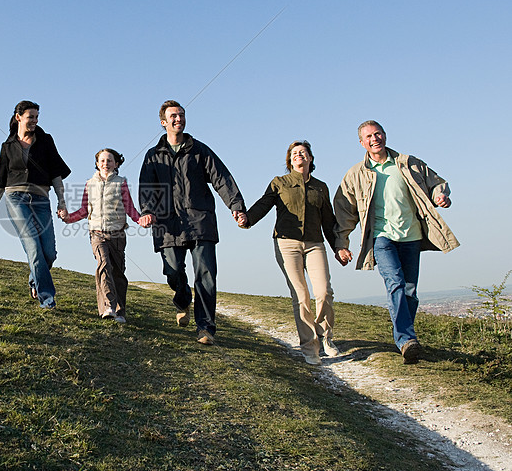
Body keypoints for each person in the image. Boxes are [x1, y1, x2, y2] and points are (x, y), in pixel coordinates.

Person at [333, 120, 459, 363]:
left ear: (385, 135)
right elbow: (344, 210)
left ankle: (406, 337)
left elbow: (436, 184)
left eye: (377, 133)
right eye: (368, 136)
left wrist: (440, 195)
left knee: (410, 290)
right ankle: (405, 340)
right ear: (362, 143)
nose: (374, 139)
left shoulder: (408, 163)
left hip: (411, 236)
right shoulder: (356, 174)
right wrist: (342, 243)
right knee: (396, 283)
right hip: (381, 237)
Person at [138, 100, 246, 345]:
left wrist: (236, 206)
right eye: (173, 116)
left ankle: (205, 327)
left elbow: (221, 178)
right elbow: (146, 188)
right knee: (173, 270)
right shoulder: (153, 155)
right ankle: (182, 298)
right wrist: (147, 211)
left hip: (200, 220)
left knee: (206, 274)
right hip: (167, 223)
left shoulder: (199, 150)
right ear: (163, 122)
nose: (179, 119)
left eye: (182, 115)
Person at [240, 141, 339, 365]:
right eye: (294, 153)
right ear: (289, 160)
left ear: (310, 158)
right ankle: (309, 348)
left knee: (324, 292)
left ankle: (325, 337)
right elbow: (263, 204)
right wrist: (247, 219)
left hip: (315, 244)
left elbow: (329, 221)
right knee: (301, 295)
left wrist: (339, 248)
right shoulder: (279, 183)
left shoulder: (320, 187)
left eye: (303, 152)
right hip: (287, 244)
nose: (298, 155)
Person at [0, 100, 71, 310]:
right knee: (33, 245)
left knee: (49, 253)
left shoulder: (46, 141)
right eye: (31, 117)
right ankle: (47, 299)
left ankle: (34, 280)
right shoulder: (7, 147)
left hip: (41, 199)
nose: (34, 121)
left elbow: (56, 174)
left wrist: (62, 202)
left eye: (37, 117)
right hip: (16, 199)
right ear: (18, 117)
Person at [58, 149, 154, 323]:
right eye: (102, 160)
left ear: (116, 164)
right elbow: (83, 210)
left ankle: (120, 311)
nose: (105, 163)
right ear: (97, 163)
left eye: (110, 160)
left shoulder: (121, 183)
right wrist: (67, 218)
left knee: (118, 273)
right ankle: (108, 306)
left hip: (117, 234)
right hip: (97, 234)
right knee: (103, 265)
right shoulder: (90, 184)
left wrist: (141, 220)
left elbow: (130, 209)